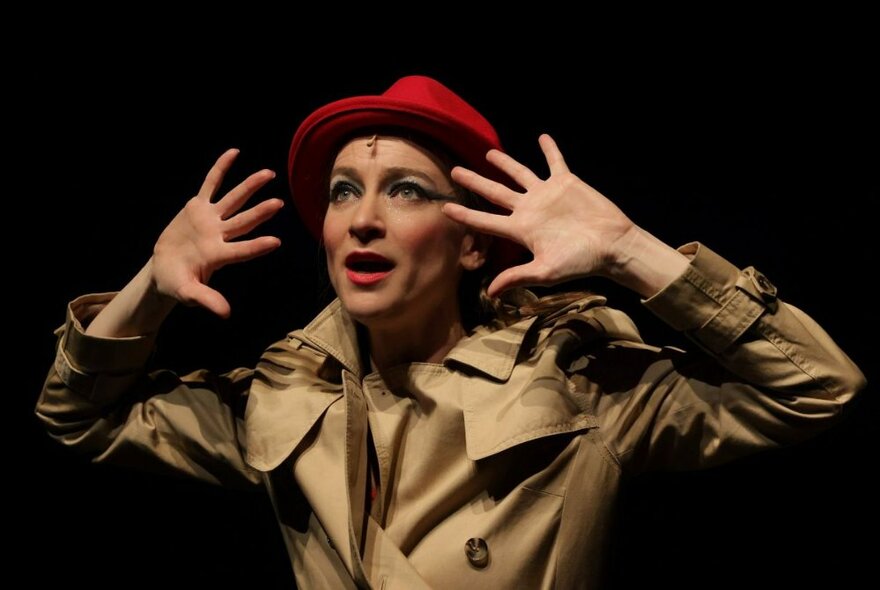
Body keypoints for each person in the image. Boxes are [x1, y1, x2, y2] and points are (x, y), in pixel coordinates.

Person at [36, 75, 866, 588]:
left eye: (403, 191)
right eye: (341, 193)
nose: (361, 221)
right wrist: (148, 285)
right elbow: (77, 417)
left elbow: (817, 387)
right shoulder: (279, 398)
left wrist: (627, 253)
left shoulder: (580, 387)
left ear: (472, 241)